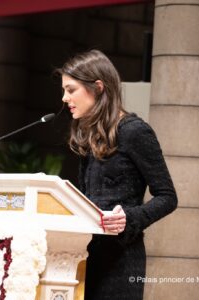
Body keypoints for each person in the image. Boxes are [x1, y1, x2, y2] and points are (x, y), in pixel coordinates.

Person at [58, 49, 178, 299]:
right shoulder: (90, 136)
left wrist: (130, 218)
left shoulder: (135, 132)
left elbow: (167, 197)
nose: (64, 98)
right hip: (83, 256)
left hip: (121, 261)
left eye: (71, 90)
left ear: (98, 87)